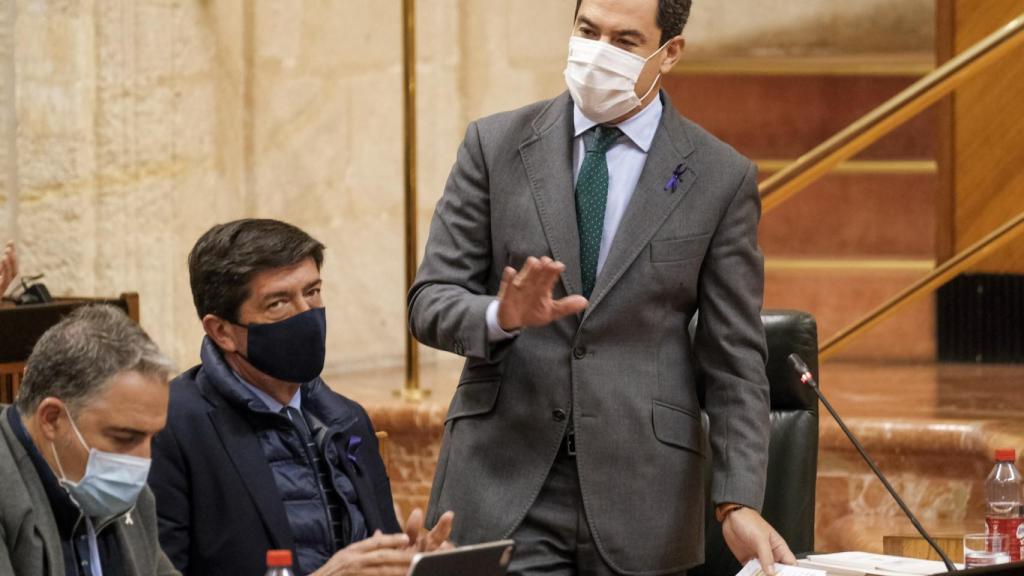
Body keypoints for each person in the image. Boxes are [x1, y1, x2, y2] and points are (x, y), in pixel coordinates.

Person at [408, 0, 796, 574]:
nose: (597, 53)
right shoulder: (494, 145)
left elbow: (734, 356)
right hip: (504, 479)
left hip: (645, 496)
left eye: (624, 40)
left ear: (670, 53)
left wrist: (738, 499)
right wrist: (501, 315)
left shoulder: (720, 176)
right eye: (588, 32)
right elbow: (429, 301)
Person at [149, 219, 453, 576]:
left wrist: (411, 562)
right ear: (222, 332)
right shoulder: (170, 425)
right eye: (278, 303)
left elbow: (377, 549)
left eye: (312, 292)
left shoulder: (347, 418)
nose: (307, 315)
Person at [0, 304, 179, 575]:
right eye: (125, 437)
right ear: (51, 419)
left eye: (152, 438)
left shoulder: (124, 494)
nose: (143, 459)